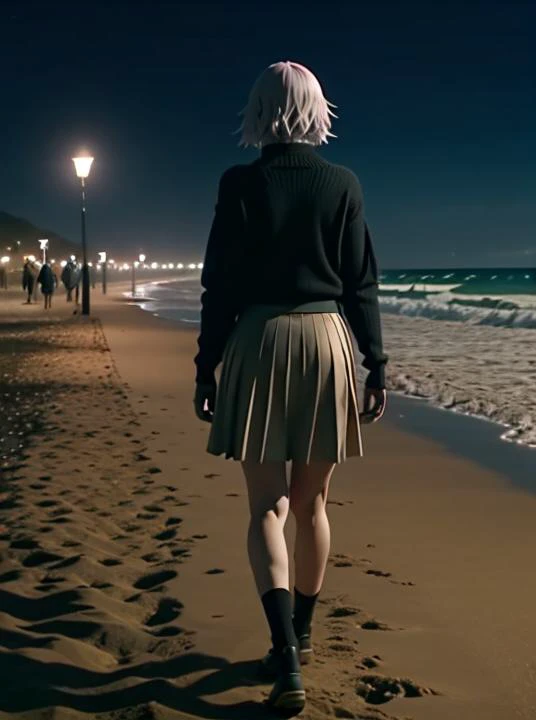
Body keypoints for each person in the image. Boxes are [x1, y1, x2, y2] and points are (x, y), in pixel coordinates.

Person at [193, 61, 388, 716]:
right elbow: (362, 283)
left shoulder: (239, 184)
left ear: (257, 111)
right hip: (325, 341)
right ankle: (301, 636)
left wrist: (205, 365)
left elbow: (218, 285)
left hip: (257, 339)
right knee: (313, 506)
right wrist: (376, 361)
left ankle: (286, 657)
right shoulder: (343, 183)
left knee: (265, 509)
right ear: (316, 109)